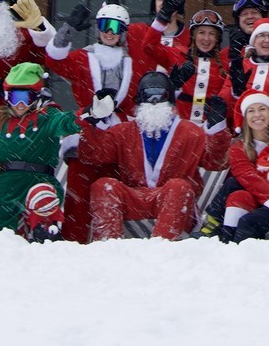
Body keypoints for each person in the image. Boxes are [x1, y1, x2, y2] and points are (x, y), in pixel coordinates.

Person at [78, 69, 216, 241]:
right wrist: (93, 119)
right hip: (134, 199)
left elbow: (215, 162)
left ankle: (161, 246)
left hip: (174, 201)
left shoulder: (190, 132)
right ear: (139, 99)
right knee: (103, 186)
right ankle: (108, 245)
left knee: (179, 186)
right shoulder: (123, 131)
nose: (154, 101)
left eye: (159, 95)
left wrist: (217, 130)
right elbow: (91, 155)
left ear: (169, 99)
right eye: (148, 95)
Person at [0, 60, 78, 234]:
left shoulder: (46, 118)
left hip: (37, 181)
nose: (20, 104)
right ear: (7, 98)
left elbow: (66, 122)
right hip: (4, 186)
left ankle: (44, 235)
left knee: (41, 198)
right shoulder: (1, 124)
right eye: (15, 98)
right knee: (1, 234)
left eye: (26, 98)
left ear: (36, 98)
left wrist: (90, 114)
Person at [41, 1, 140, 124]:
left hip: (121, 128)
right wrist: (67, 31)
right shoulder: (83, 58)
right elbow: (54, 61)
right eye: (105, 25)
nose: (109, 32)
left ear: (123, 32)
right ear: (98, 29)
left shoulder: (131, 63)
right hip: (88, 124)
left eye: (115, 27)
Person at [212, 92, 269, 241]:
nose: (257, 115)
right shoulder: (239, 147)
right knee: (236, 191)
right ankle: (226, 240)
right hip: (264, 201)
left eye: (262, 109)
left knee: (234, 185)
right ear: (245, 117)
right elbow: (247, 176)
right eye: (251, 111)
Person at [174, 10, 242, 126]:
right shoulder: (179, 55)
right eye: (201, 33)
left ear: (218, 38)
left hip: (212, 129)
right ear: (194, 35)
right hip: (182, 129)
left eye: (211, 34)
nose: (206, 39)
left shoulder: (225, 61)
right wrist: (162, 17)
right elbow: (150, 47)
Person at [127, 0, 189, 79]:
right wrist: (111, 3)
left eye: (170, 0)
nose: (165, 4)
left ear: (179, 6)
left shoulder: (190, 38)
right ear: (154, 4)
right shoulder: (136, 31)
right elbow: (110, 33)